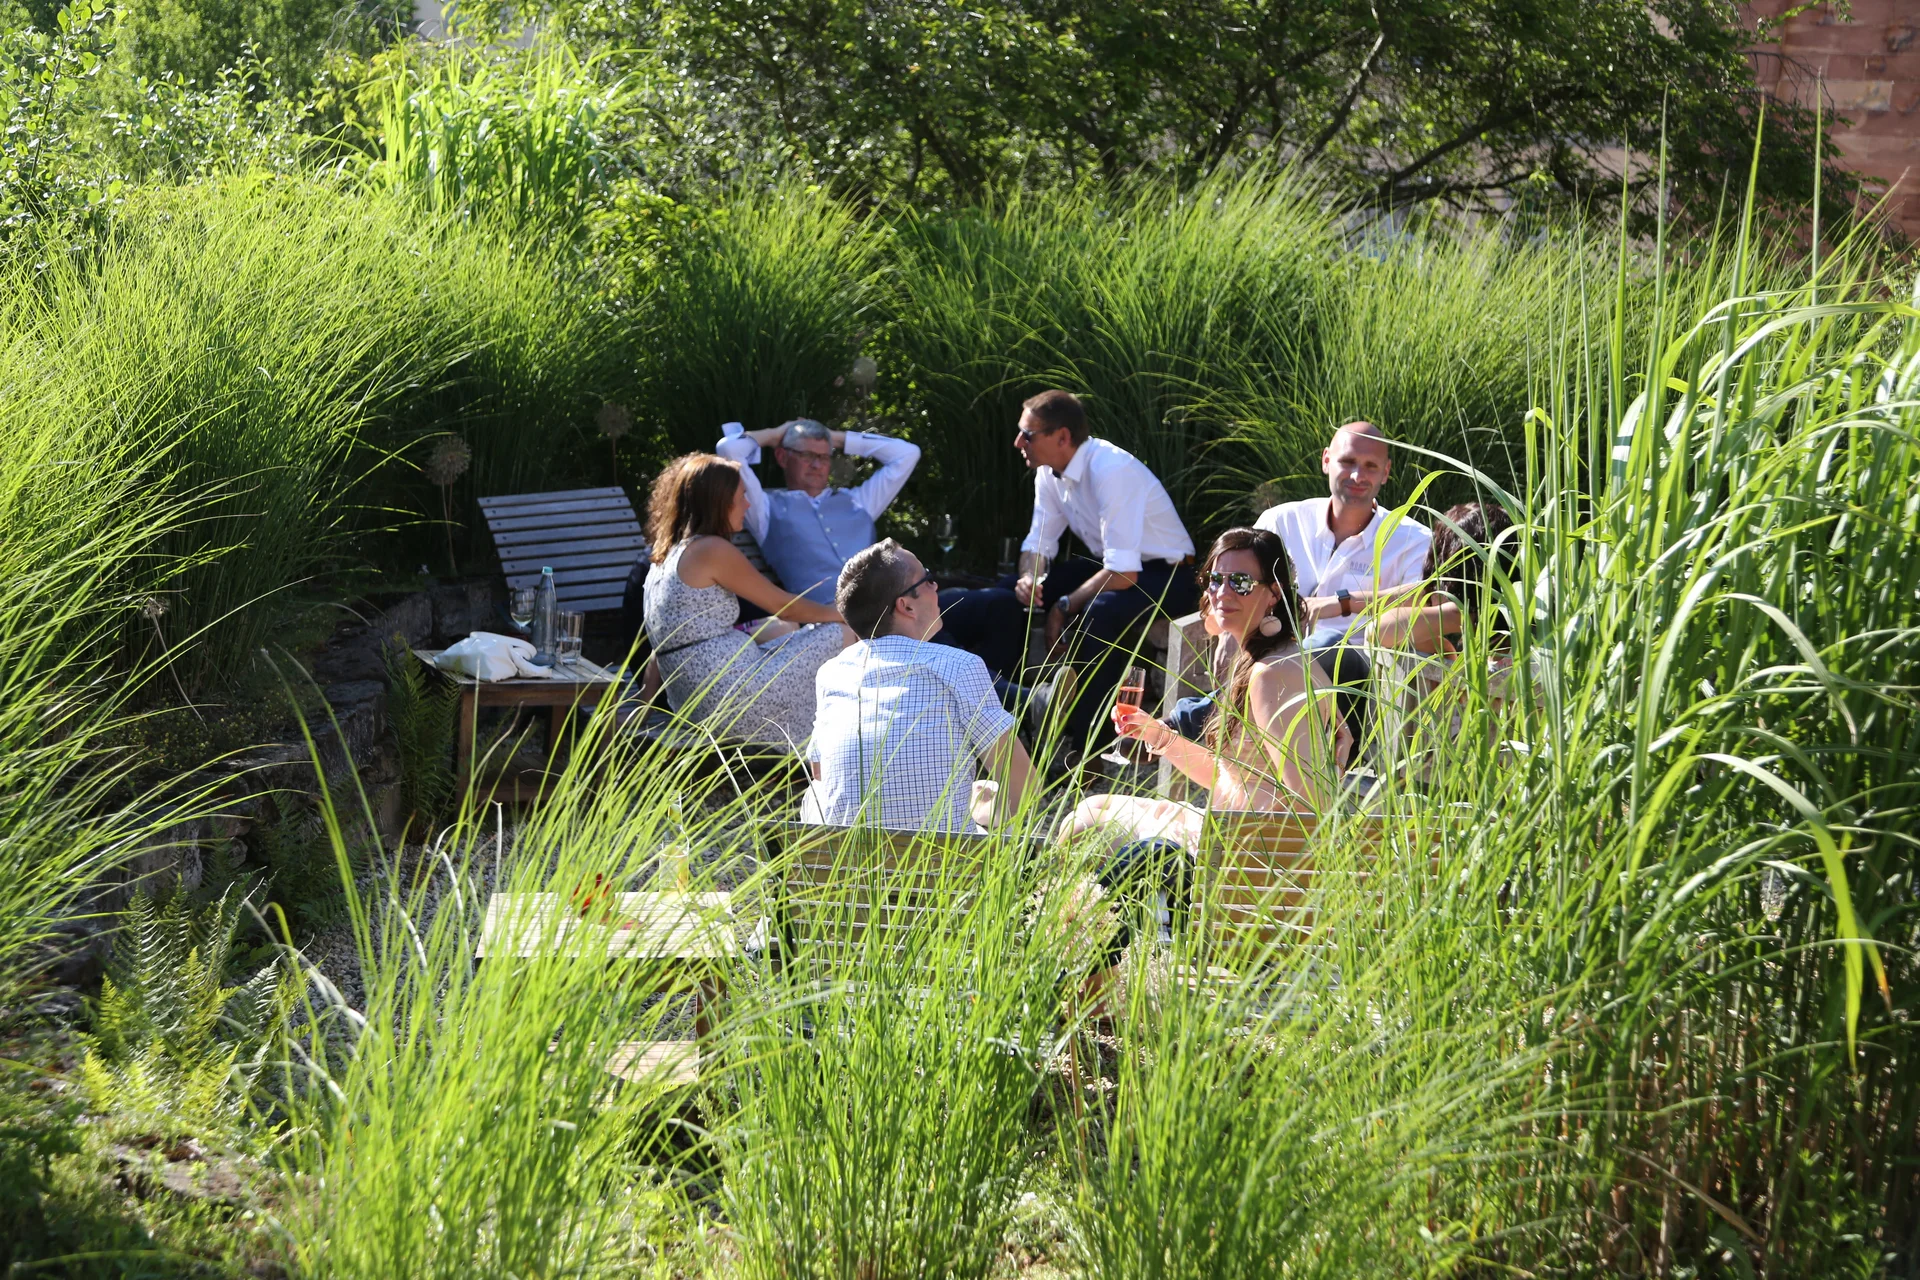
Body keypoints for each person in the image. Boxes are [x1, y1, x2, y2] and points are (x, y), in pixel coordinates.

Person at [948, 390, 1196, 743]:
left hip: (1170, 574)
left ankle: (1087, 744)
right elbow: (1038, 544)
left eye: (1028, 435)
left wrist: (1064, 606)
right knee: (1005, 595)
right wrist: (1029, 578)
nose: (1018, 442)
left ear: (1062, 437)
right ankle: (1002, 719)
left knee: (1100, 611)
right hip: (1114, 566)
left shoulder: (1111, 469)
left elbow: (1124, 573)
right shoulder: (1047, 473)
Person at [806, 540, 1034, 832]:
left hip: (844, 858)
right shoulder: (961, 666)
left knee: (812, 793)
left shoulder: (831, 673)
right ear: (906, 605)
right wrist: (985, 814)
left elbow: (821, 776)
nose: (936, 586)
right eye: (927, 579)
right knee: (996, 801)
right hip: (945, 860)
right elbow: (1024, 784)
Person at [630, 453, 853, 749]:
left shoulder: (665, 557)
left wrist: (642, 708)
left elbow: (663, 645)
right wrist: (842, 614)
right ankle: (844, 744)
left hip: (696, 704)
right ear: (718, 502)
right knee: (843, 633)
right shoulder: (710, 550)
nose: (747, 505)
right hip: (734, 697)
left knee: (792, 635)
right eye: (741, 496)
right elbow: (784, 607)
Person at [1252, 421, 1431, 743]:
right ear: (1326, 460)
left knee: (1327, 643)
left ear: (1386, 472)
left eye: (1371, 466)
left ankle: (1191, 720)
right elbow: (1241, 583)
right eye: (1348, 462)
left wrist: (1342, 604)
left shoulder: (1412, 539)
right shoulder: (1282, 521)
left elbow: (1427, 596)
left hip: (1362, 678)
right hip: (1271, 656)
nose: (1358, 476)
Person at [1367, 501, 1519, 771]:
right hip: (1507, 771)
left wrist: (1453, 612)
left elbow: (1377, 630)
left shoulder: (1440, 634)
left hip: (1432, 768)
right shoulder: (1525, 630)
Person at [714, 419, 921, 606]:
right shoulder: (765, 509)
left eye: (824, 457)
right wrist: (775, 434)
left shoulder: (859, 501)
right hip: (829, 620)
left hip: (892, 607)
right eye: (806, 455)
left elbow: (908, 453)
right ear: (782, 457)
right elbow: (728, 449)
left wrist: (835, 438)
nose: (816, 465)